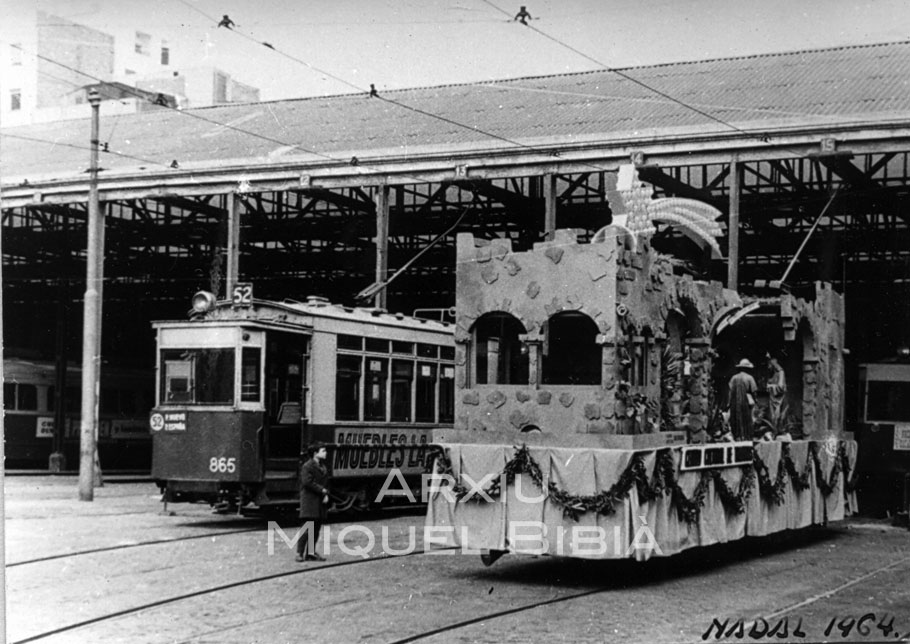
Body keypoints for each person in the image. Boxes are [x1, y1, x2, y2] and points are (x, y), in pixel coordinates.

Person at [297, 443, 330, 562]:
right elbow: (307, 482)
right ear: (316, 453)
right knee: (307, 527)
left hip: (319, 500)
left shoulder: (322, 466)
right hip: (310, 500)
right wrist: (322, 491)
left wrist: (325, 494)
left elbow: (325, 484)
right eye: (323, 451)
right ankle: (299, 553)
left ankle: (310, 553)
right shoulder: (307, 466)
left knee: (316, 528)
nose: (325, 453)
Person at [726, 358, 758, 441]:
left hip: (735, 401)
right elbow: (754, 391)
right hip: (746, 401)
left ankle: (737, 436)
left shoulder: (733, 378)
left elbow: (730, 391)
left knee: (735, 418)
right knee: (747, 419)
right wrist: (755, 400)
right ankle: (746, 436)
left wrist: (729, 403)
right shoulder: (750, 378)